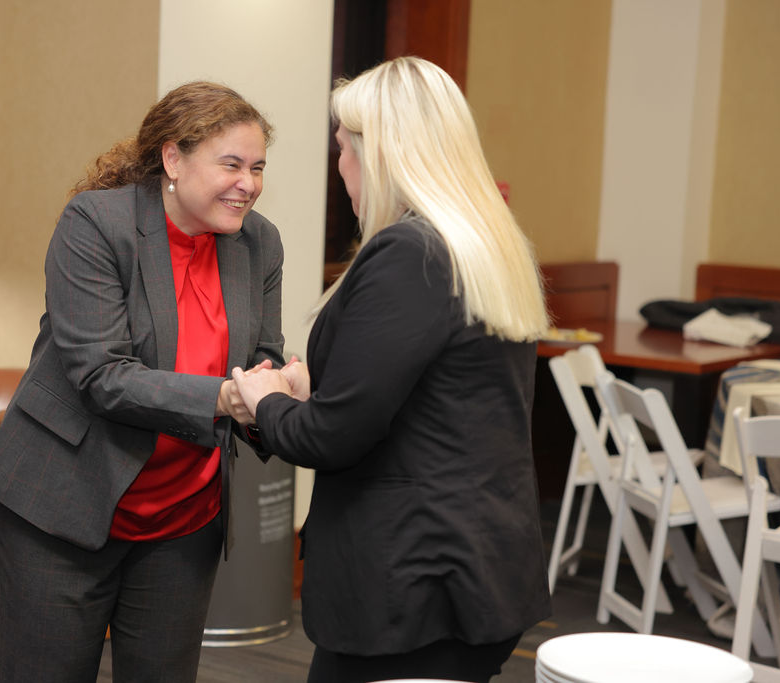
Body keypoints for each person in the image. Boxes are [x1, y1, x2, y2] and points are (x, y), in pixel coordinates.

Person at [231, 56, 552, 683]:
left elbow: (333, 437)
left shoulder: (409, 252)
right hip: (478, 562)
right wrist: (316, 389)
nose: (341, 168)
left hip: (414, 580)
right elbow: (441, 397)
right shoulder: (481, 243)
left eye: (342, 151)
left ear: (375, 155)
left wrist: (269, 400)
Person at [0, 81, 285, 683]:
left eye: (258, 167)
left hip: (184, 516)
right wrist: (228, 396)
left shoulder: (259, 243)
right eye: (232, 165)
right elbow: (102, 376)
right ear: (172, 159)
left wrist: (281, 386)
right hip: (63, 507)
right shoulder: (97, 223)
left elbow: (261, 356)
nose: (249, 184)